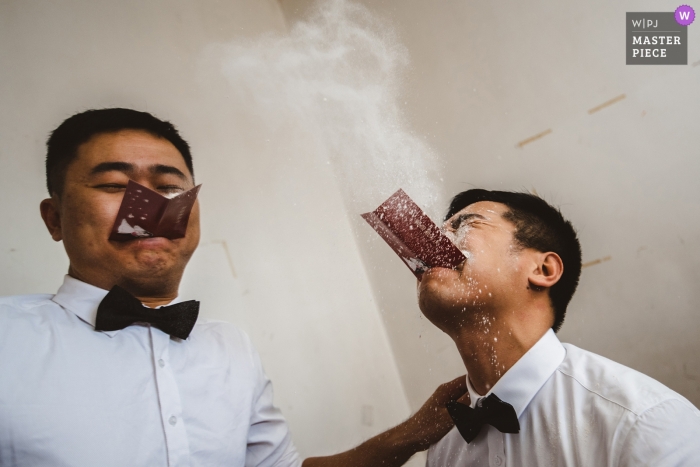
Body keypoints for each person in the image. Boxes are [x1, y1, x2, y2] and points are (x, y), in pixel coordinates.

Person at [0, 108, 465, 467]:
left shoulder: (231, 349)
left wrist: (416, 432)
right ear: (54, 218)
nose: (147, 207)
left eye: (168, 188)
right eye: (114, 184)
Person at [419, 189, 700, 466]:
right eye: (443, 226)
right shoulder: (442, 440)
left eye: (466, 223)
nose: (435, 238)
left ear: (543, 270)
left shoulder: (646, 422)